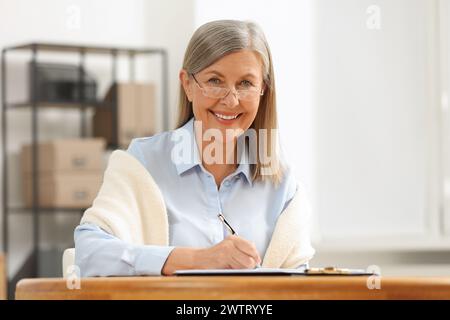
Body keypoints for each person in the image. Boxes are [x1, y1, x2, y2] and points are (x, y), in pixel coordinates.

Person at [74, 19, 315, 277]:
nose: (231, 100)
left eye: (245, 83)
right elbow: (89, 254)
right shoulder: (143, 163)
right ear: (187, 84)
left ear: (263, 90)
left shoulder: (282, 182)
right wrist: (198, 259)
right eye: (215, 80)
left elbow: (300, 284)